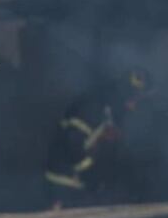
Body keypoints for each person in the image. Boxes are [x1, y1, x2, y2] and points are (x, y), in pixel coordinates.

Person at [44, 67, 152, 208]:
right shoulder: (90, 112)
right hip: (64, 188)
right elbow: (74, 150)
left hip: (83, 189)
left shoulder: (112, 113)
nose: (133, 106)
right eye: (133, 99)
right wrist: (101, 149)